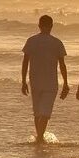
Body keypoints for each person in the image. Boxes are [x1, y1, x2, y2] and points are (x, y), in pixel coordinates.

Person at [21, 15, 69, 144]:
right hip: (51, 82)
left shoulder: (31, 41)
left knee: (37, 112)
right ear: (52, 26)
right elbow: (62, 64)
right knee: (45, 113)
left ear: (39, 26)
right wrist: (66, 83)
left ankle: (39, 137)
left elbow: (25, 62)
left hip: (34, 81)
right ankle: (40, 138)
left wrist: (23, 81)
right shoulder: (57, 42)